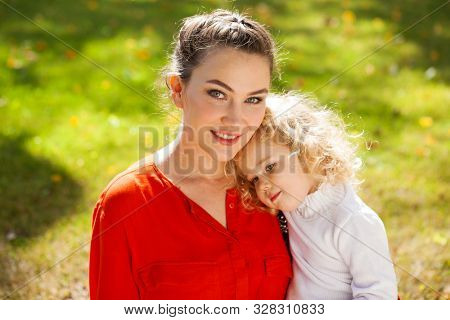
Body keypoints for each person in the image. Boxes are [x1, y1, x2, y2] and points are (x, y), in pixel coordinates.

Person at [89, 9, 292, 300]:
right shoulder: (125, 205)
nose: (236, 119)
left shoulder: (276, 186)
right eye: (218, 94)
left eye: (253, 99)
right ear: (177, 89)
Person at [233, 92, 398, 299]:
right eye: (254, 179)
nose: (263, 185)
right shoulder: (293, 203)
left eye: (270, 166)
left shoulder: (353, 221)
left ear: (306, 151)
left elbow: (378, 296)